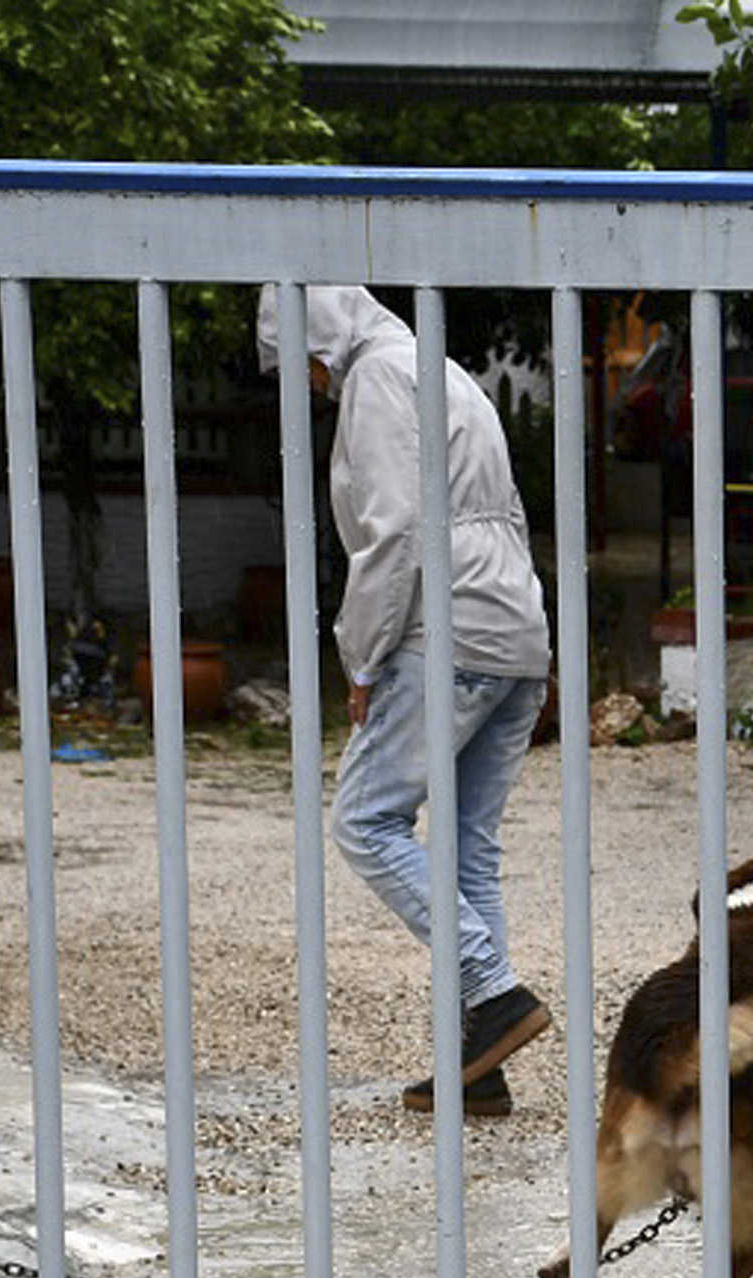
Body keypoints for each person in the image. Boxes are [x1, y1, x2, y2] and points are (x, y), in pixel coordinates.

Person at [264, 284, 554, 1115]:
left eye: (302, 371)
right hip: (510, 628)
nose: (309, 389)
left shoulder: (378, 378)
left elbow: (394, 531)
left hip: (447, 627)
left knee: (364, 819)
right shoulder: (442, 368)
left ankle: (494, 995)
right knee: (468, 849)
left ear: (316, 346)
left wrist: (361, 656)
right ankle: (481, 1062)